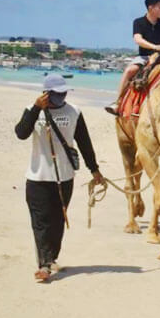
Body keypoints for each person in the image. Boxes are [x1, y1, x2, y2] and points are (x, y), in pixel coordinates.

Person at [15, 74, 104, 282]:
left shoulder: (74, 112)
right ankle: (44, 265)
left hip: (64, 178)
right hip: (37, 178)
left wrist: (95, 170)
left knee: (58, 222)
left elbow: (84, 142)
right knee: (41, 222)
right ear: (46, 93)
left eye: (64, 92)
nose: (61, 96)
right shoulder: (32, 110)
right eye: (56, 93)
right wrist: (37, 108)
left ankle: (51, 257)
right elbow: (21, 133)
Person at [105, 0, 160, 115]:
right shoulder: (139, 22)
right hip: (145, 57)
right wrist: (155, 47)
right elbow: (138, 39)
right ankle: (118, 102)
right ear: (150, 8)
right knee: (129, 71)